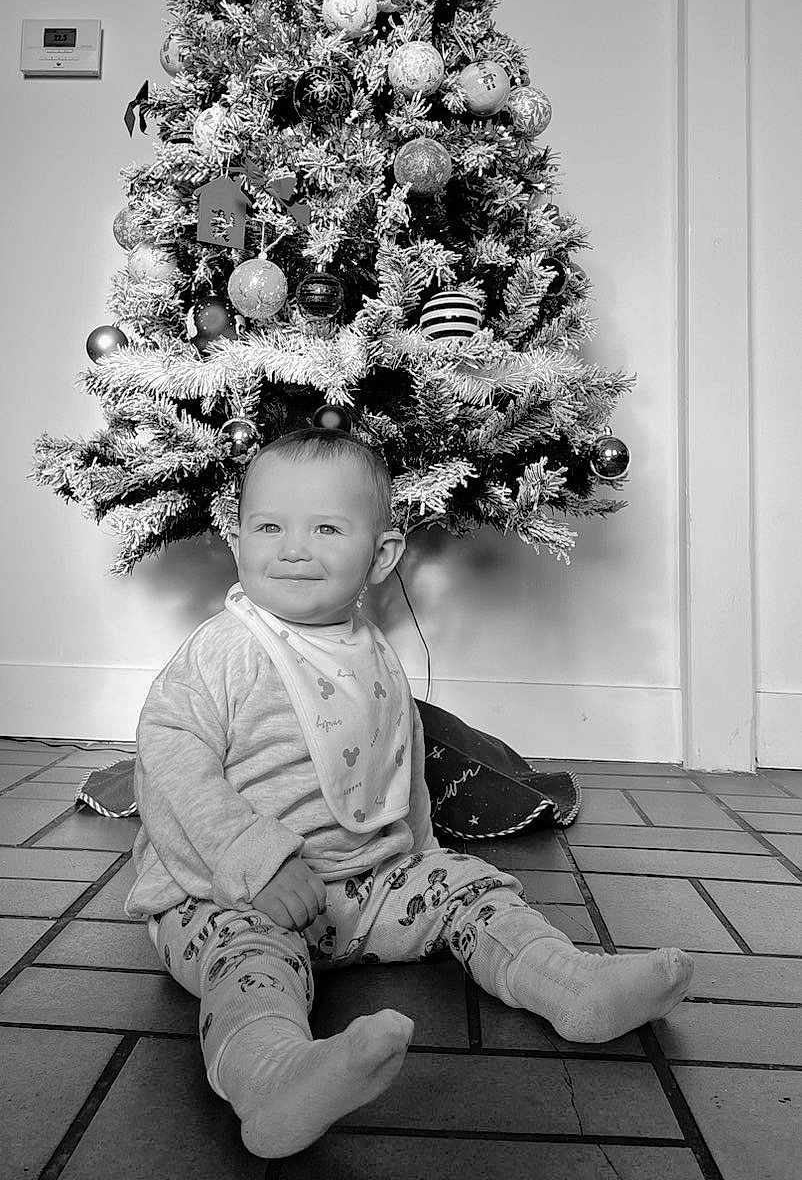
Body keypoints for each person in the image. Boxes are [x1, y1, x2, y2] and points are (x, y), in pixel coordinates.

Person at [125, 425, 693, 1159]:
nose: (292, 547)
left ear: (382, 554)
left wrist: (419, 856)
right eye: (268, 527)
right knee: (248, 968)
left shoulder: (371, 652)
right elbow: (168, 761)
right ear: (236, 543)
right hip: (226, 898)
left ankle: (568, 985)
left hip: (360, 888)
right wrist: (254, 861)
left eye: (325, 527)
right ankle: (272, 1077)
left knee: (475, 888)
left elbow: (400, 761)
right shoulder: (225, 651)